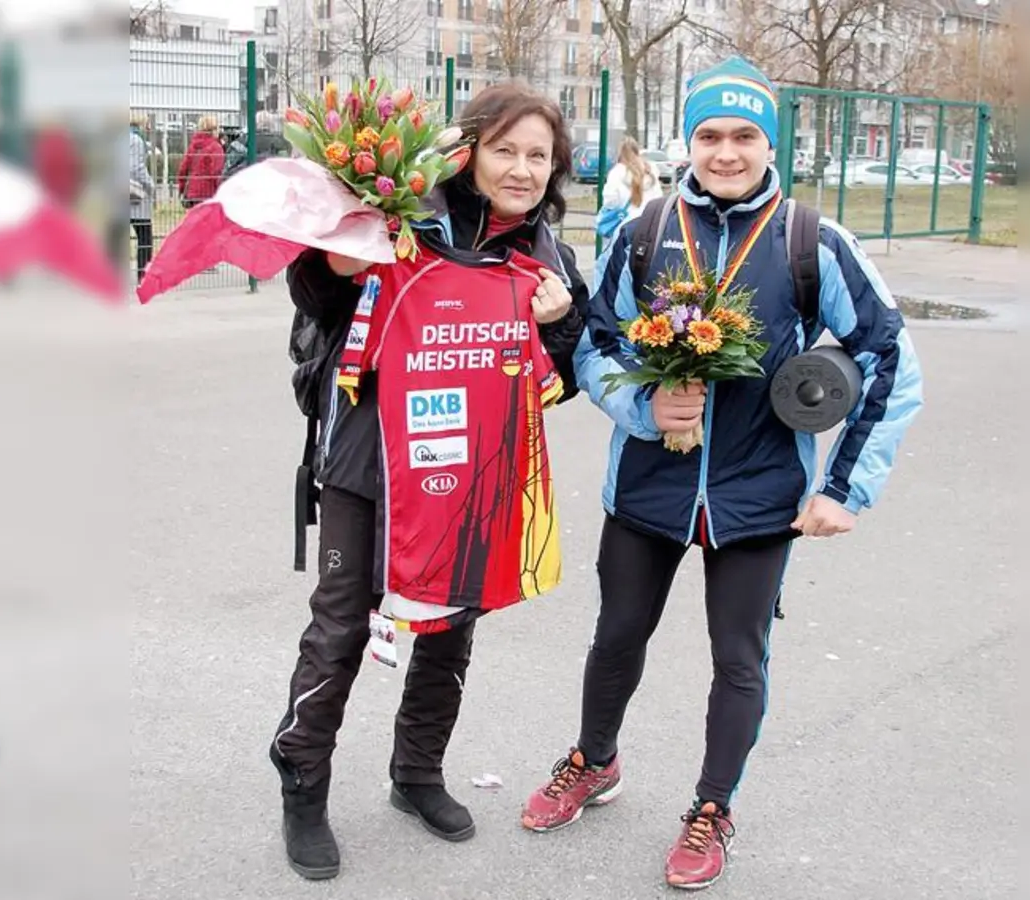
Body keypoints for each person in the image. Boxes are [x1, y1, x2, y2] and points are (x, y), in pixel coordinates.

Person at [519, 57, 924, 890]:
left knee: (738, 658)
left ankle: (712, 808)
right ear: (688, 141)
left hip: (760, 492)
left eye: (744, 136)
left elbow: (889, 359)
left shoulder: (810, 239)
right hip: (646, 488)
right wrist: (645, 411)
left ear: (770, 143)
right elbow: (596, 347)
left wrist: (843, 488)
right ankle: (595, 761)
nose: (726, 152)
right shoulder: (644, 230)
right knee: (617, 637)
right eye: (710, 134)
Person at [269, 81, 590, 881]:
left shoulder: (546, 253)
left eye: (537, 156)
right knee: (339, 630)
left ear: (554, 169)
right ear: (470, 151)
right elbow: (317, 294)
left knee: (450, 630)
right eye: (505, 150)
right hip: (366, 463)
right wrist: (340, 262)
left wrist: (561, 323)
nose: (521, 169)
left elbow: (562, 375)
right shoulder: (407, 216)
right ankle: (302, 789)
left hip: (474, 470)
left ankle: (416, 775)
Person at [600, 137, 663, 229]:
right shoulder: (650, 171)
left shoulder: (617, 172)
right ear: (637, 151)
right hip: (648, 224)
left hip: (625, 225)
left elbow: (610, 201)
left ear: (620, 153)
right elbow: (658, 198)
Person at [126, 114, 155, 283]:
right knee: (144, 237)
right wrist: (150, 185)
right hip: (134, 195)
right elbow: (136, 167)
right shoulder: (136, 140)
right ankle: (142, 276)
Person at [176, 116, 224, 209]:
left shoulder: (193, 146)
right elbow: (216, 173)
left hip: (193, 194)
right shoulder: (216, 148)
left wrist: (182, 189)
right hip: (209, 194)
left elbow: (183, 170)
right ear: (214, 130)